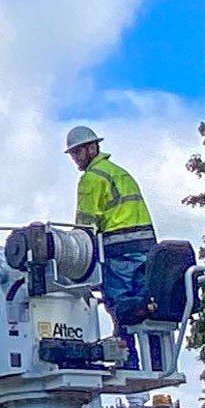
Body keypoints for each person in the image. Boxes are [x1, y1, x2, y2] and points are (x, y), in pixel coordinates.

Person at [65, 126, 158, 326]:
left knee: (122, 307)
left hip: (119, 253)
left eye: (77, 152)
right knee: (146, 309)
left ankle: (124, 346)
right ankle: (154, 348)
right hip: (146, 251)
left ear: (92, 148)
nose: (75, 158)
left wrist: (73, 256)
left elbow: (85, 227)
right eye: (73, 154)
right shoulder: (120, 173)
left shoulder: (91, 178)